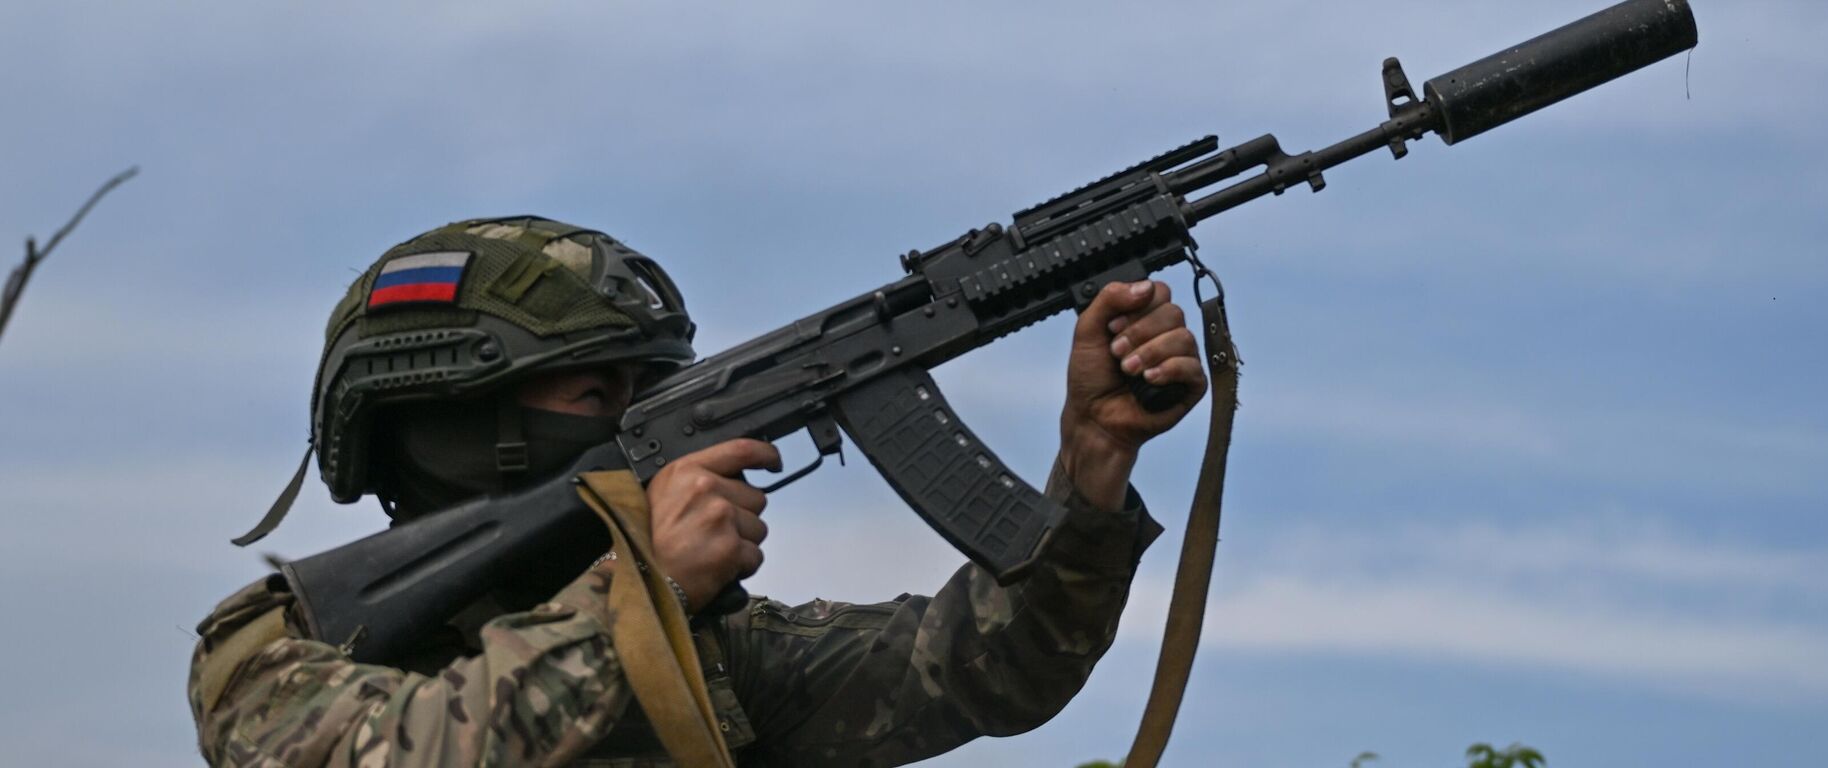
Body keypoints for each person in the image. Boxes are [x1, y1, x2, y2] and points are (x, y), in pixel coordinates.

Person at [188, 216, 1206, 766]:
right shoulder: (275, 656)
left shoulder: (723, 658)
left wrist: (1090, 461)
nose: (639, 422)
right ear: (459, 426)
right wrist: (644, 601)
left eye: (653, 390)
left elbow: (994, 670)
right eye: (599, 394)